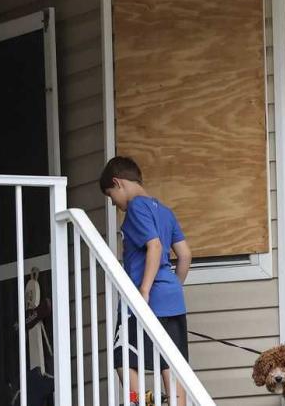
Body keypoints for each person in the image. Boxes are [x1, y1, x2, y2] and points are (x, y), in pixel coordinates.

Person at [100, 156, 192, 406]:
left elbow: (154, 246)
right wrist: (173, 288)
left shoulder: (136, 207)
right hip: (171, 298)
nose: (114, 204)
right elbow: (185, 255)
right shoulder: (164, 211)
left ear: (118, 183)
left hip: (144, 300)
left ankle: (139, 400)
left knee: (122, 358)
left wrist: (144, 291)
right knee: (171, 364)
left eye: (110, 196)